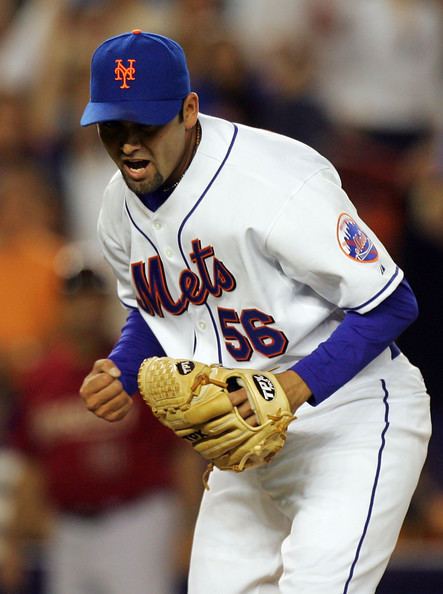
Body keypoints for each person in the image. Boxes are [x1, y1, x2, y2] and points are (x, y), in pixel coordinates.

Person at [79, 30, 431, 593]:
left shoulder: (275, 181)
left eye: (145, 126)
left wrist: (293, 386)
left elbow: (392, 303)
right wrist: (122, 368)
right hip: (242, 438)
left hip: (353, 422)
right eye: (111, 128)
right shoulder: (116, 208)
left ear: (189, 110)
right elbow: (152, 308)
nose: (127, 145)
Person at [3, 267, 203, 594]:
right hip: (67, 529)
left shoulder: (138, 366)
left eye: (92, 298)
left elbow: (180, 450)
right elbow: (32, 463)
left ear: (104, 303)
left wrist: (189, 527)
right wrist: (13, 541)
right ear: (60, 305)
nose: (84, 308)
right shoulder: (40, 378)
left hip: (138, 521)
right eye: (75, 299)